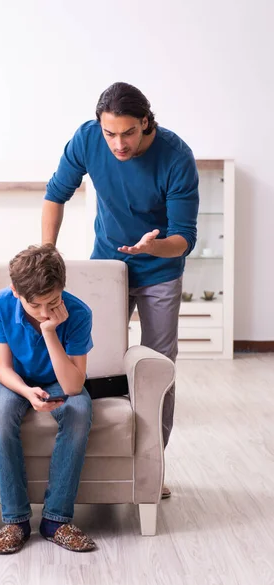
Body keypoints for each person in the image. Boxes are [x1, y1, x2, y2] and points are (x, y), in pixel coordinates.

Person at [42, 82, 199, 498]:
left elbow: (184, 237)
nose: (118, 143)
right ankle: (96, 462)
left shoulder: (176, 156)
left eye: (127, 133)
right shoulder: (87, 138)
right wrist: (47, 253)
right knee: (93, 356)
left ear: (146, 122)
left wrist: (154, 246)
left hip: (161, 269)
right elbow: (55, 194)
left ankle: (152, 467)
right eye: (110, 133)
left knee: (156, 365)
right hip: (107, 266)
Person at [0, 244, 96, 554]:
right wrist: (26, 392)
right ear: (16, 292)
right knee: (1, 411)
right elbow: (3, 369)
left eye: (54, 301)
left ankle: (56, 520)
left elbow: (74, 385)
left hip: (59, 381)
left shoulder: (78, 313)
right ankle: (16, 521)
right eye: (37, 305)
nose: (47, 311)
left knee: (79, 410)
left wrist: (49, 331)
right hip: (14, 382)